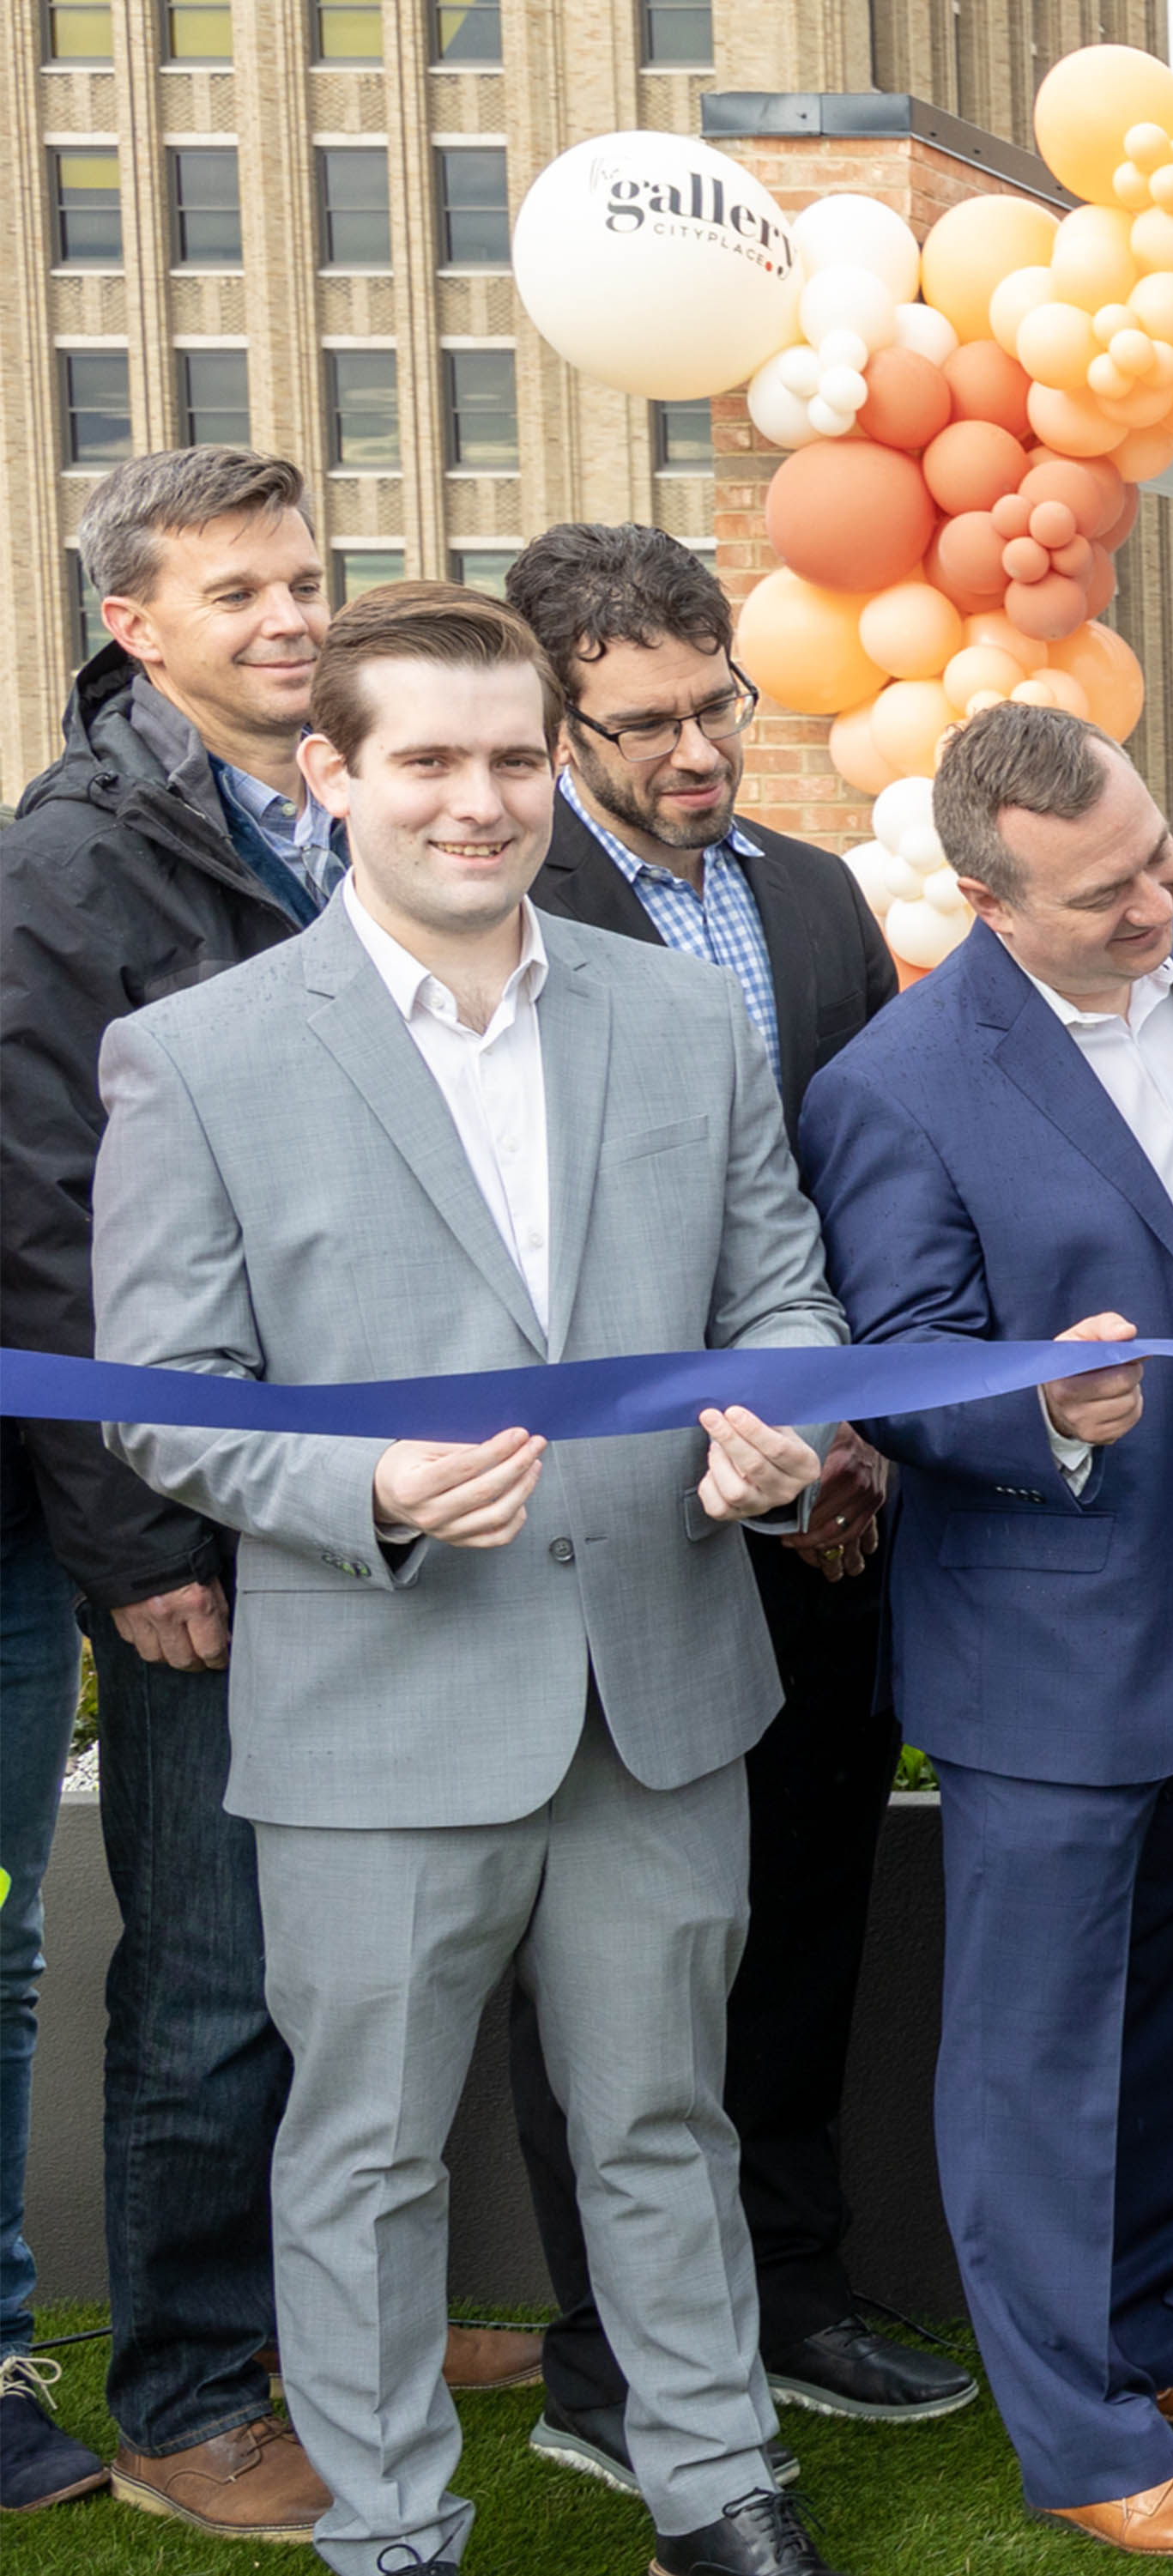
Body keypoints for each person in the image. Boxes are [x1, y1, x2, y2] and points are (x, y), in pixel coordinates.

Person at [92, 583, 850, 2576]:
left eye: (514, 755)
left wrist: (772, 1441)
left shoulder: (680, 1011)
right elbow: (162, 1400)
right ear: (332, 772)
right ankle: (396, 2529)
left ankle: (718, 2483)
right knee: (360, 2158)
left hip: (662, 1675)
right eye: (427, 757)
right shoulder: (196, 1055)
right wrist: (371, 1485)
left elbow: (777, 1295)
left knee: (667, 2123)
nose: (479, 798)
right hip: (377, 1699)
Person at [798, 705, 1173, 2556]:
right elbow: (895, 1358)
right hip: (1051, 1626)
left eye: (1161, 864)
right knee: (1036, 2050)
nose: (1153, 909)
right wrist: (1031, 1411)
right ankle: (1088, 2440)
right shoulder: (898, 1082)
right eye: (1106, 893)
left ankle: (1159, 2328)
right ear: (983, 897)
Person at [495, 524, 973, 2477]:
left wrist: (844, 1442)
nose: (699, 750)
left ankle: (793, 2289)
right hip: (604, 1521)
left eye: (719, 704)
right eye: (647, 723)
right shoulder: (500, 907)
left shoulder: (808, 890)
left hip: (818, 1509)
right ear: (550, 721)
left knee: (801, 1920)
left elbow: (855, 1183)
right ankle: (605, 2360)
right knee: (609, 1950)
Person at [0, 445, 338, 2531]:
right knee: (210, 1966)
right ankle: (192, 2387)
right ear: (139, 625)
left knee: (327, 1942)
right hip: (179, 1520)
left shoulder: (330, 810)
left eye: (305, 578)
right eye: (240, 594)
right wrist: (139, 1547)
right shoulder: (72, 864)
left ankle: (301, 2315)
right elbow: (48, 1230)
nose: (292, 617)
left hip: (347, 1486)